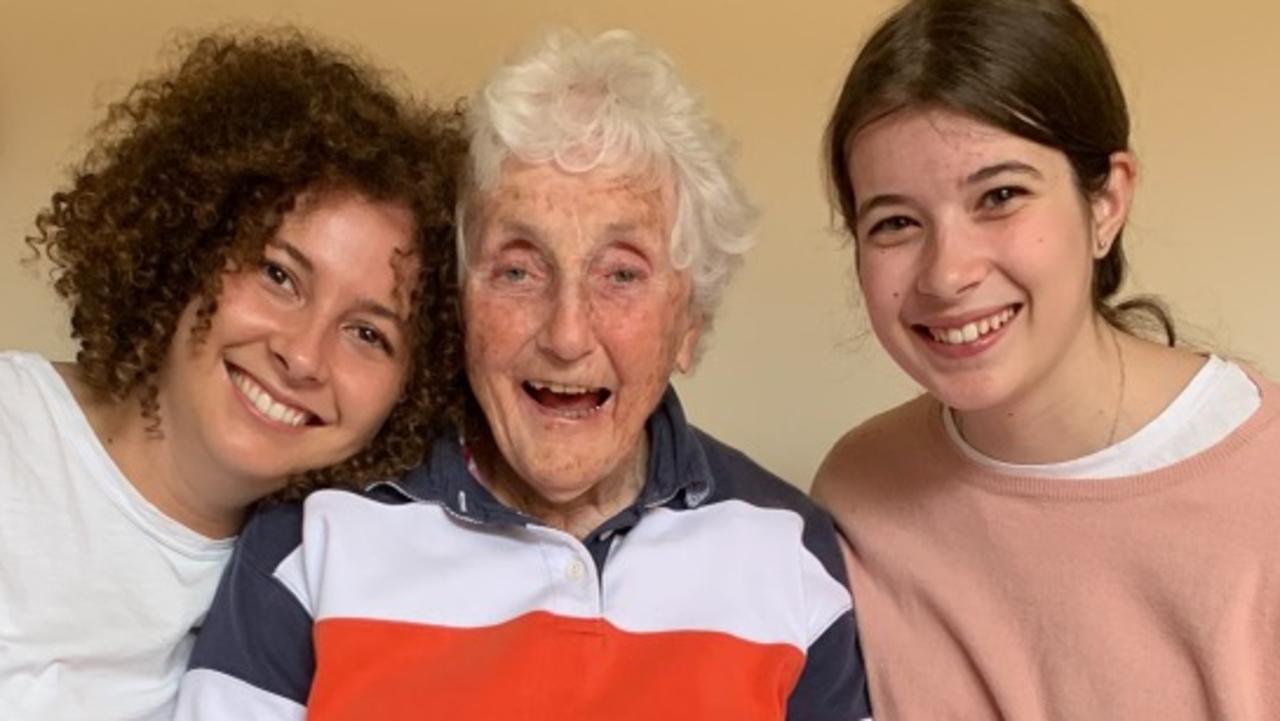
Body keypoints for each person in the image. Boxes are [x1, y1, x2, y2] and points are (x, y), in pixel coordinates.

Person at [176, 29, 872, 721]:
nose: (567, 334)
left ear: (689, 323)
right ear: (460, 306)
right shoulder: (314, 529)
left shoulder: (788, 546)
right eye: (517, 269)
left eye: (622, 273)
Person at [812, 0, 1280, 718]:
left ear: (1107, 202)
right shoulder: (858, 492)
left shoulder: (1264, 484)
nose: (947, 273)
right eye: (896, 222)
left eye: (1000, 195)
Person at [1, 30, 466, 720]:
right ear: (189, 242)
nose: (303, 356)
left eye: (368, 333)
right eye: (279, 275)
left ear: (411, 389)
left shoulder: (327, 584)